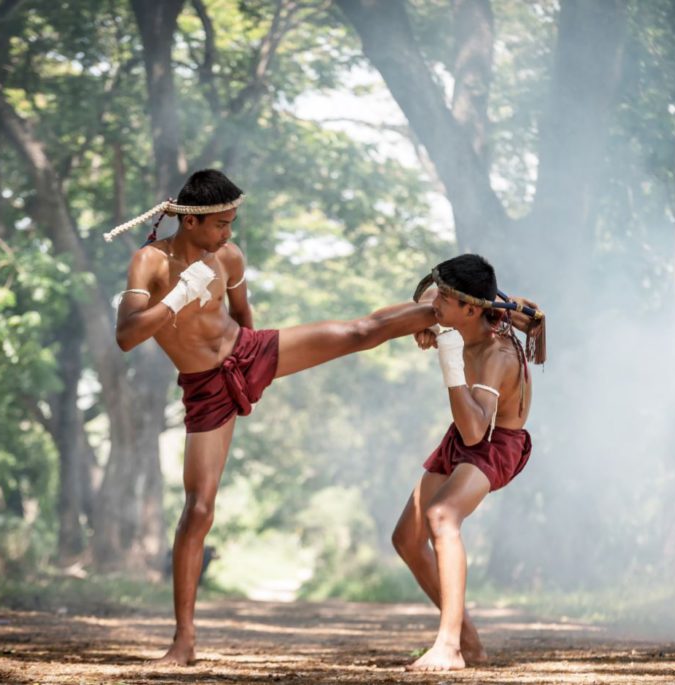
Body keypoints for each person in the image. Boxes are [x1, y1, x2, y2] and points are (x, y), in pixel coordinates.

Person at [106, 169, 437, 665]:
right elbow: (127, 336)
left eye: (231, 223)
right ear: (192, 222)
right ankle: (184, 641)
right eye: (220, 224)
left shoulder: (228, 257)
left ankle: (444, 309)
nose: (228, 234)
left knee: (357, 332)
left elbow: (243, 317)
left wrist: (252, 376)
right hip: (204, 389)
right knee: (198, 509)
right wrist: (176, 297)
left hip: (248, 354)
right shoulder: (149, 262)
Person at [391, 254, 545, 672]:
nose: (435, 301)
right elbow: (424, 294)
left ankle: (449, 646)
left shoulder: (498, 356)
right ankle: (470, 641)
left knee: (442, 517)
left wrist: (449, 360)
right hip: (464, 431)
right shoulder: (472, 313)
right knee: (407, 538)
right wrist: (428, 321)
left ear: (471, 309)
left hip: (495, 442)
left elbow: (478, 433)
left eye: (445, 298)